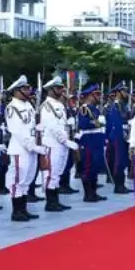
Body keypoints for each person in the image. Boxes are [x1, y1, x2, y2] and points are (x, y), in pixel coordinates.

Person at [7, 76, 47, 222]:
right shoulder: (12, 107)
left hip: (32, 148)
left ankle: (23, 209)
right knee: (18, 180)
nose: (28, 91)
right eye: (24, 89)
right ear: (17, 91)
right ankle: (16, 211)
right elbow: (17, 131)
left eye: (28, 88)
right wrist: (33, 146)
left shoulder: (28, 105)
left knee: (27, 180)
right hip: (20, 149)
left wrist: (38, 129)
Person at [37, 77, 75, 213]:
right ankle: (50, 202)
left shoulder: (59, 104)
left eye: (61, 88)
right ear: (51, 90)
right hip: (52, 144)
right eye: (58, 88)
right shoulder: (46, 106)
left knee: (58, 172)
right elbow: (52, 126)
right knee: (51, 173)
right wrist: (65, 140)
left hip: (62, 144)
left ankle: (56, 200)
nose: (61, 91)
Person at [77, 84, 107, 204]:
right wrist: (98, 123)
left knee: (95, 166)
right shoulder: (85, 108)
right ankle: (88, 194)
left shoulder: (94, 108)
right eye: (97, 94)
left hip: (97, 140)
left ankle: (94, 192)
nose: (99, 97)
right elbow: (83, 124)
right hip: (89, 140)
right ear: (90, 95)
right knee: (88, 167)